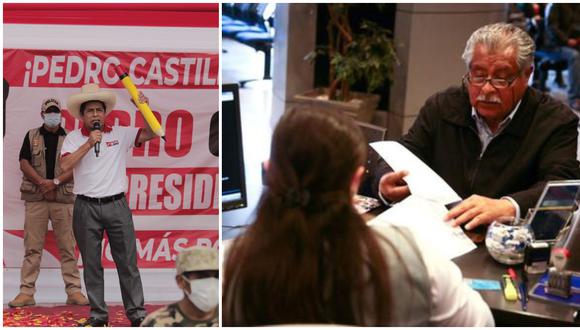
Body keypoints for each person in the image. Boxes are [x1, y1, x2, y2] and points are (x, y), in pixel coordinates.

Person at [222, 107, 494, 326]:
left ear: (269, 172)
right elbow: (481, 324)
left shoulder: (226, 266)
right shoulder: (415, 262)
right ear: (354, 181)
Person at [376, 23, 580, 240]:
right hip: (438, 234)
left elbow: (562, 191)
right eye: (479, 76)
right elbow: (403, 153)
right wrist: (386, 180)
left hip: (505, 244)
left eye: (501, 78)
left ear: (526, 75)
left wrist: (509, 207)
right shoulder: (442, 106)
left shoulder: (556, 121)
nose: (487, 89)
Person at [60, 83, 158, 327]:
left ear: (106, 113)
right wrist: (88, 144)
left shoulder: (121, 133)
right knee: (92, 264)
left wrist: (142, 107)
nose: (95, 114)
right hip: (85, 207)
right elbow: (64, 166)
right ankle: (98, 315)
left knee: (127, 263)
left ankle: (137, 314)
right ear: (82, 115)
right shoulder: (73, 138)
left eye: (99, 110)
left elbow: (153, 132)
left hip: (117, 205)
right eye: (90, 111)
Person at [8, 98, 89, 308]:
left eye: (56, 112)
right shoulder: (31, 135)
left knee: (68, 248)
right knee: (32, 248)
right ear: (42, 114)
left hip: (63, 200)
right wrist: (42, 183)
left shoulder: (72, 137)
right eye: (49, 112)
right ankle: (26, 292)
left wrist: (54, 183)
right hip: (36, 199)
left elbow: (77, 166)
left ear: (61, 114)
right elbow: (24, 162)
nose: (53, 115)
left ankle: (74, 291)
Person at [141, 246, 219, 327]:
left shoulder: (229, 318)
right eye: (202, 276)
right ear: (181, 281)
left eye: (217, 276)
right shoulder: (155, 323)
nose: (212, 282)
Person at [544, 3, 580, 109]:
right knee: (574, 56)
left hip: (572, 43)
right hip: (554, 45)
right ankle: (574, 98)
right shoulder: (555, 5)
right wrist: (566, 40)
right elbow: (551, 28)